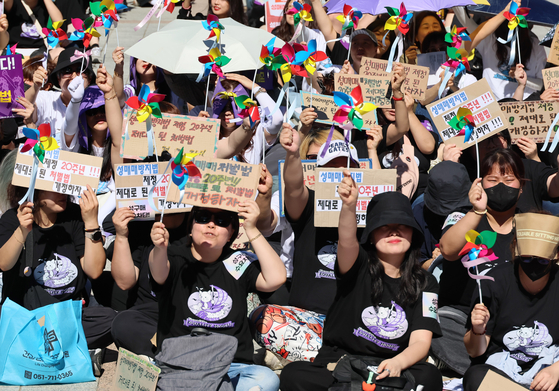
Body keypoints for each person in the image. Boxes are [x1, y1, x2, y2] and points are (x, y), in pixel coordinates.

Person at [280, 189, 443, 391]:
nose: (394, 232)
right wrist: (349, 206)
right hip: (341, 364)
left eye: (402, 225)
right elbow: (347, 240)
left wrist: (398, 363)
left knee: (430, 376)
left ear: (413, 234)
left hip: (389, 368)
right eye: (384, 226)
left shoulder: (427, 282)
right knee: (295, 375)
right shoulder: (357, 265)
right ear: (371, 236)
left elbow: (420, 341)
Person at [149, 202, 286, 390]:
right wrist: (159, 247)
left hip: (231, 365)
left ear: (231, 233)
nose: (211, 224)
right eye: (203, 218)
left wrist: (252, 229)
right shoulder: (173, 256)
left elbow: (276, 278)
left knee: (267, 379)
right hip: (180, 364)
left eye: (222, 221)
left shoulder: (238, 261)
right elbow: (158, 271)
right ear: (191, 227)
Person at [0, 182, 116, 375]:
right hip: (27, 317)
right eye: (53, 187)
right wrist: (22, 231)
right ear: (33, 189)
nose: (62, 193)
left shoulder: (73, 215)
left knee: (111, 321)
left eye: (64, 186)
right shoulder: (13, 218)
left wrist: (91, 222)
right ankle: (74, 349)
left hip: (67, 317)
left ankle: (51, 348)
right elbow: (4, 263)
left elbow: (94, 270)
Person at [435, 148, 527, 375]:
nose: (501, 186)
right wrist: (477, 211)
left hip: (510, 321)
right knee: (436, 327)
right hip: (461, 316)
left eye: (509, 180)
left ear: (521, 187)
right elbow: (448, 250)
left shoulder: (531, 224)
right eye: (492, 180)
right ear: (480, 184)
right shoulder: (462, 217)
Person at [463, 212, 559, 391]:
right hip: (501, 370)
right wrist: (477, 330)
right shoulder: (492, 281)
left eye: (543, 260)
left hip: (549, 372)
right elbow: (475, 352)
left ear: (556, 255)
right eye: (527, 258)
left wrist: (556, 370)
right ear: (515, 248)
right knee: (475, 377)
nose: (534, 264)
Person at [464, 0, 547, 100]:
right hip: (494, 105)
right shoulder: (489, 39)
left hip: (525, 107)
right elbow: (467, 24)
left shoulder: (535, 45)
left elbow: (541, 84)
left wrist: (522, 79)